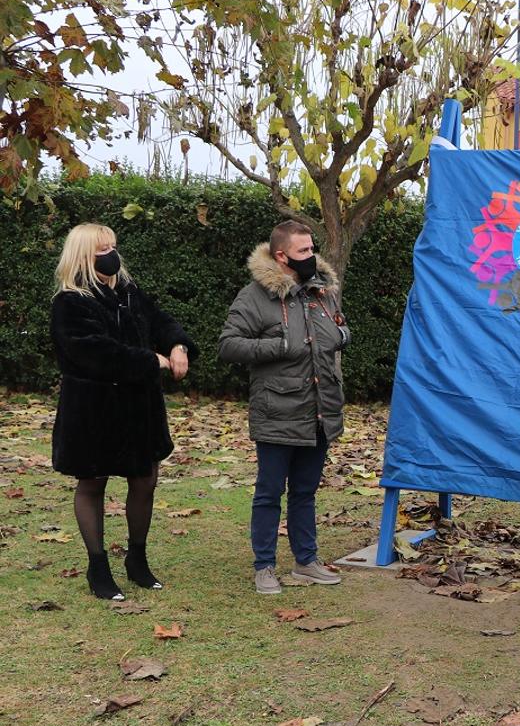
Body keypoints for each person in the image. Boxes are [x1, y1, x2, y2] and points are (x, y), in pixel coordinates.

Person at [51, 223, 195, 601]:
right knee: (93, 483)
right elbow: (93, 352)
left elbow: (160, 320)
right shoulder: (70, 301)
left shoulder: (128, 292)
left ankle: (138, 559)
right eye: (103, 248)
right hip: (93, 410)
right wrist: (151, 360)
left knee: (145, 479)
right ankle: (98, 566)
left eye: (113, 245)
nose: (111, 253)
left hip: (138, 408)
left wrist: (178, 344)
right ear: (84, 253)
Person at [219, 220, 350, 595]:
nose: (312, 257)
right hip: (277, 411)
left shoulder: (322, 291)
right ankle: (264, 566)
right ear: (281, 255)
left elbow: (337, 329)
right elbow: (228, 345)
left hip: (319, 410)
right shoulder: (255, 296)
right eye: (303, 251)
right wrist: (278, 347)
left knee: (306, 491)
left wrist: (341, 336)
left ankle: (306, 561)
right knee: (269, 492)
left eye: (312, 248)